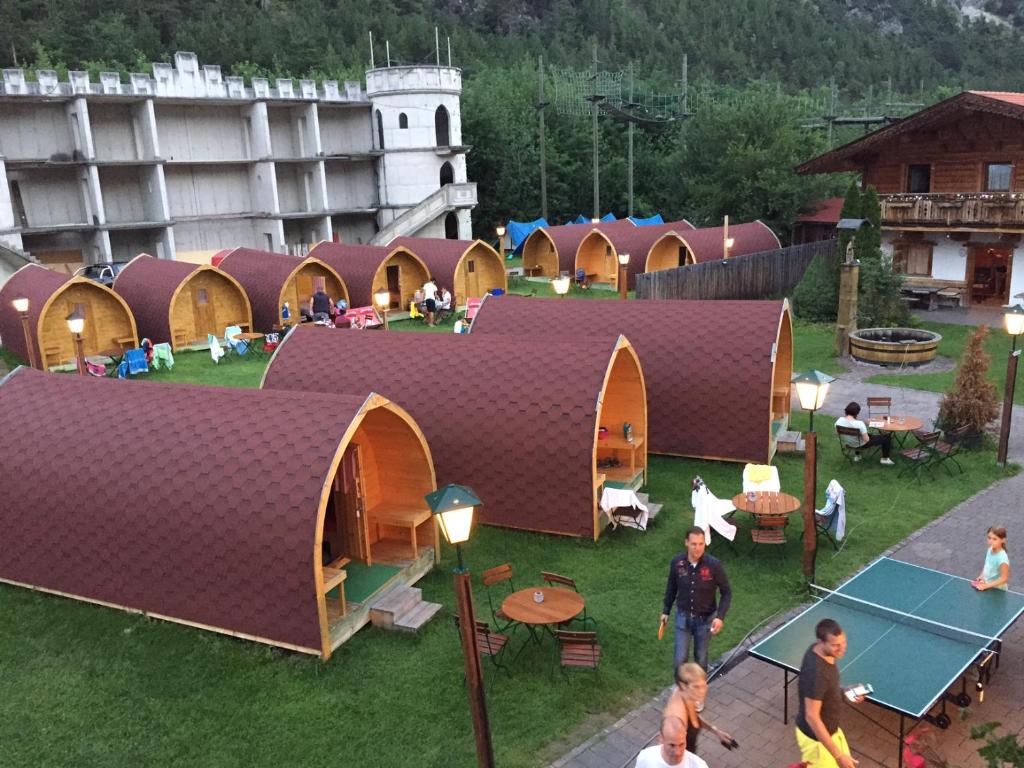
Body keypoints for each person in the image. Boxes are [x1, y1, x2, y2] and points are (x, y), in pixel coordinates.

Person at [661, 527, 732, 674]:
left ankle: (698, 695)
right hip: (683, 618)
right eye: (694, 544)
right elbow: (671, 587)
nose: (698, 548)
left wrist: (720, 617)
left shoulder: (714, 565)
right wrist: (665, 611)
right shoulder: (677, 563)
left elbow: (727, 592)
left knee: (701, 660)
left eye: (701, 544)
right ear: (686, 542)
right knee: (680, 660)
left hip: (705, 621)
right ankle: (682, 694)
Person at [795, 618, 860, 768]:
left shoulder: (823, 653)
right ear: (820, 642)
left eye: (844, 642)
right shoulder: (817, 673)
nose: (842, 648)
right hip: (816, 742)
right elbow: (811, 716)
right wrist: (838, 755)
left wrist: (846, 692)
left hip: (832, 732)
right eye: (836, 645)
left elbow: (826, 690)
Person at [634, 716, 708, 768]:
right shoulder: (645, 757)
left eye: (681, 744)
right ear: (661, 738)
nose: (678, 752)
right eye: (672, 745)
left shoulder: (699, 765)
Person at [973, 526, 1010, 591]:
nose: (990, 541)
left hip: (997, 592)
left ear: (1003, 540)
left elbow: (1004, 578)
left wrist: (986, 586)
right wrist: (981, 576)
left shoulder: (1002, 559)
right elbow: (987, 565)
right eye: (989, 538)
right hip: (987, 587)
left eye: (994, 539)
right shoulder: (990, 549)